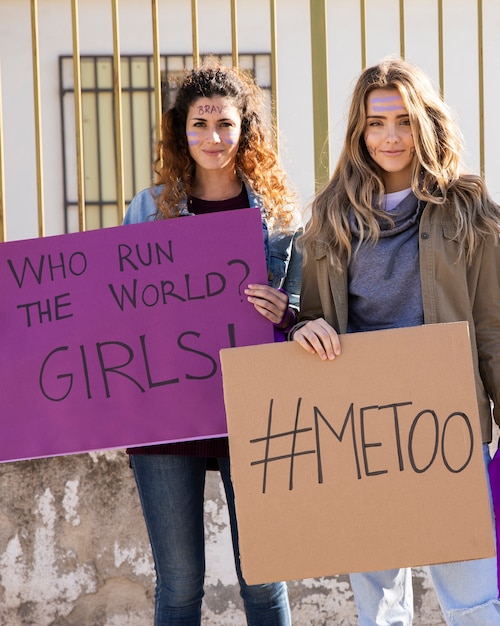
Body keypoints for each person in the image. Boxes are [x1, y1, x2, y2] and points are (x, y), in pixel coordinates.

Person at [291, 55, 500, 625]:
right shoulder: (330, 219)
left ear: (425, 123)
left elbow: (491, 326)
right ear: (359, 131)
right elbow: (311, 318)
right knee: (379, 609)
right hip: (363, 433)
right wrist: (300, 328)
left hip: (447, 425)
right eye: (376, 122)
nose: (390, 137)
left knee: (475, 600)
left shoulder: (469, 212)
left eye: (403, 120)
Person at [122, 60, 301, 625]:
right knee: (178, 585)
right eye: (199, 125)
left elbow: (305, 314)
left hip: (254, 412)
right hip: (166, 413)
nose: (213, 138)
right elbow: (118, 315)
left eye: (225, 124)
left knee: (264, 580)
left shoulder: (280, 218)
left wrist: (287, 311)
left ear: (245, 129)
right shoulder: (148, 211)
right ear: (181, 131)